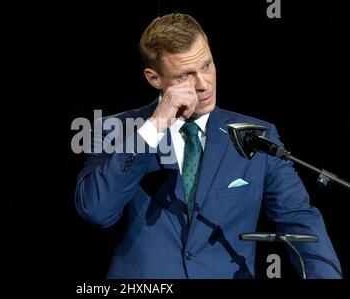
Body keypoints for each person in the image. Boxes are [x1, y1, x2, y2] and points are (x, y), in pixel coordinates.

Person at [74, 13, 342, 279]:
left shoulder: (259, 135)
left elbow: (299, 219)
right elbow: (98, 211)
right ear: (154, 78)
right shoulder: (114, 129)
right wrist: (154, 127)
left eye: (206, 65)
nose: (203, 84)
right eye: (186, 74)